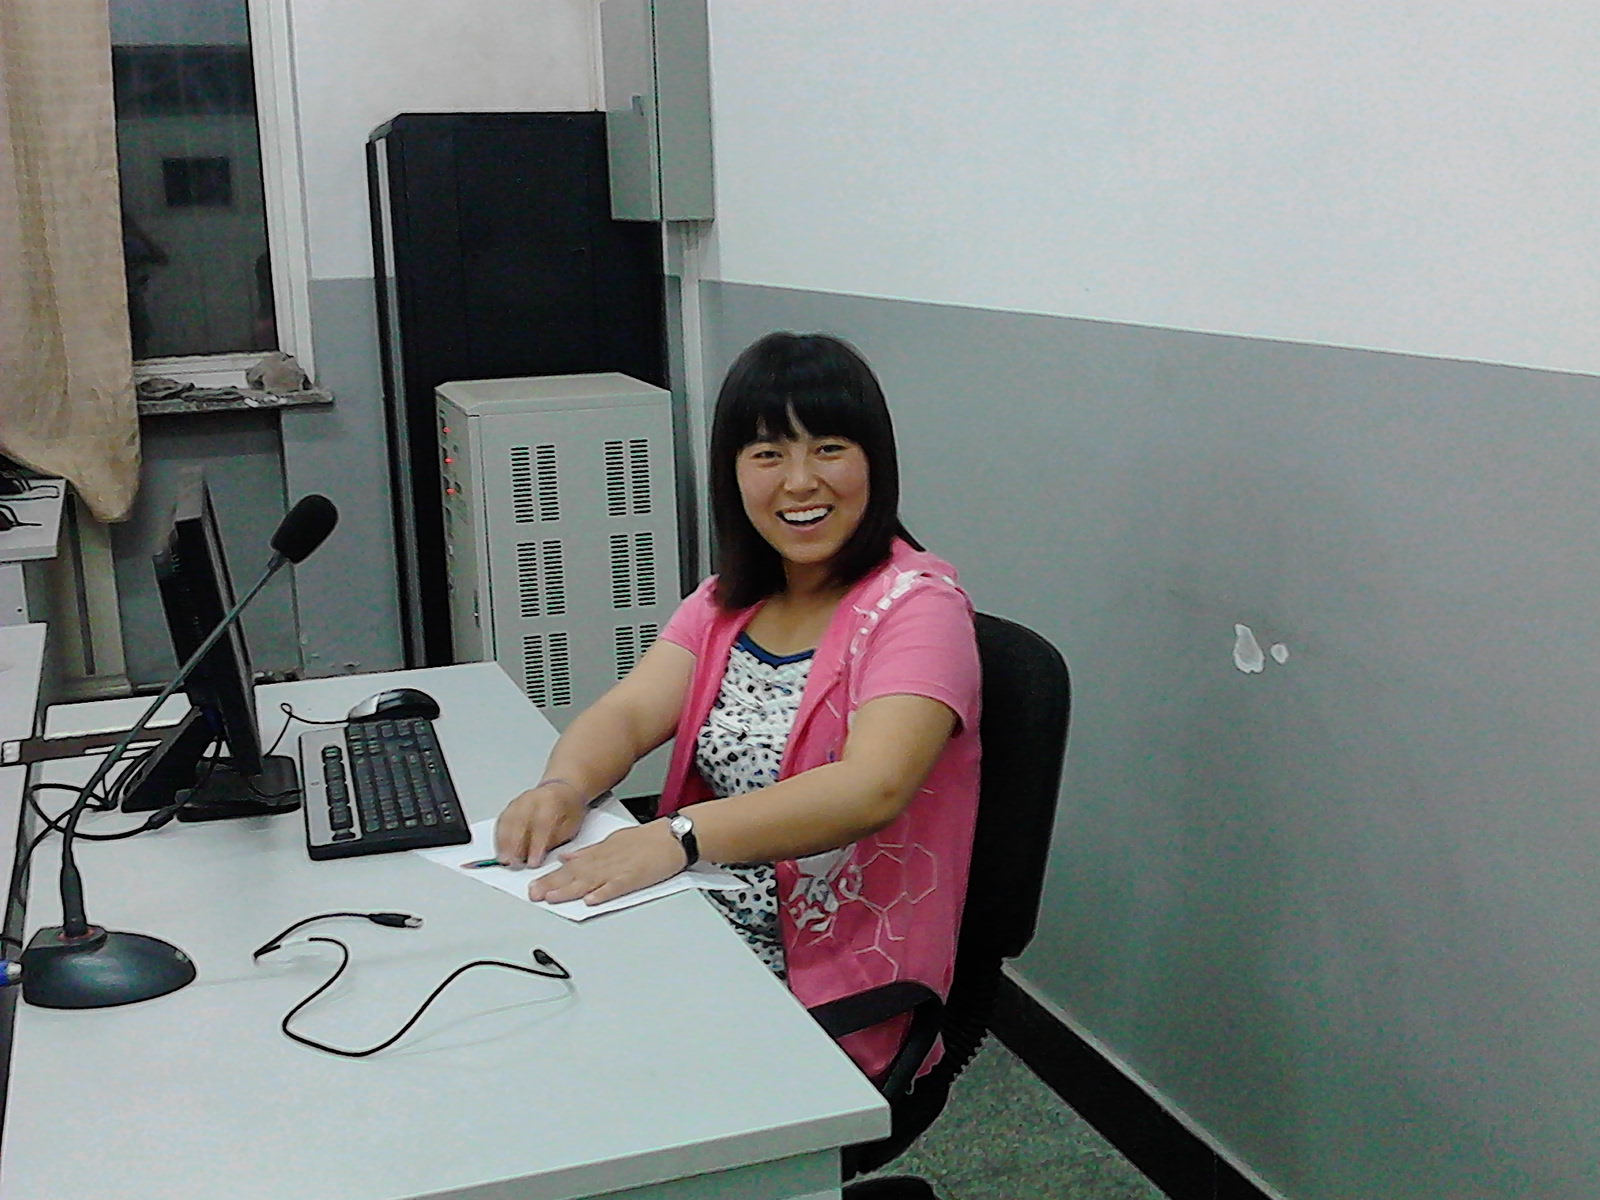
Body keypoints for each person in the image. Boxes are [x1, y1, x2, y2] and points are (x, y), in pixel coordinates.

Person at [493, 331, 981, 1080]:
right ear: (733, 472)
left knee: (573, 1069)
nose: (799, 482)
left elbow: (872, 787)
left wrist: (681, 837)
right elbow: (629, 714)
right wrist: (563, 785)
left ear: (874, 463)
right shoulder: (729, 601)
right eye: (767, 454)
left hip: (823, 975)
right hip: (700, 922)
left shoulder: (920, 610)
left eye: (829, 449)